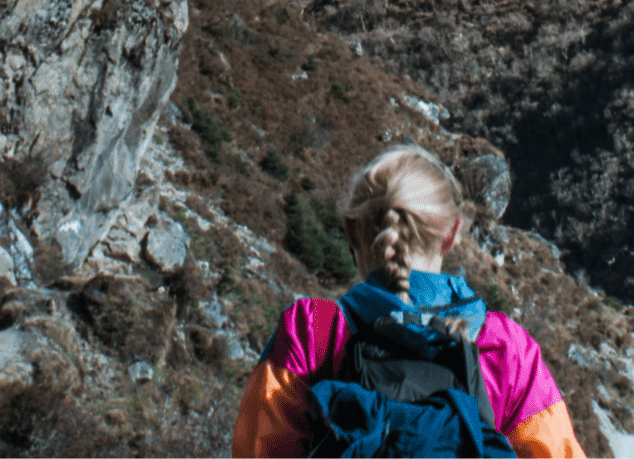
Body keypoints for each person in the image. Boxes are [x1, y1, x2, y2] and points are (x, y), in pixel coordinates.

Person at [232, 145, 586, 457]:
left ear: (352, 231)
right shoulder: (505, 349)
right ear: (451, 235)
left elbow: (257, 452)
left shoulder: (311, 332)